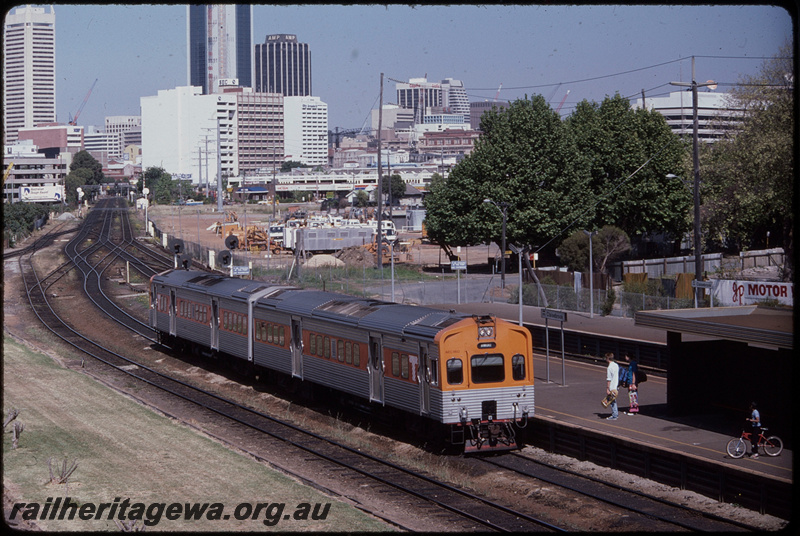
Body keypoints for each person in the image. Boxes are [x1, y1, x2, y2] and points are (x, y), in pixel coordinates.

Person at [604, 352, 619, 420]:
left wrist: (607, 388)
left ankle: (615, 415)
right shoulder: (616, 365)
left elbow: (609, 379)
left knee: (612, 401)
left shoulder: (609, 368)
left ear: (607, 358)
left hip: (612, 387)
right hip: (616, 385)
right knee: (613, 400)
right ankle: (615, 414)